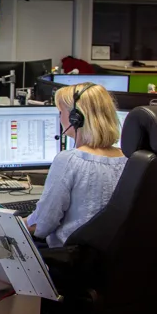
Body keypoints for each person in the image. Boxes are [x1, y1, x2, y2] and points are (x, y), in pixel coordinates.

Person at [25, 83, 127, 248]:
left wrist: (10, 223)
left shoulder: (70, 160)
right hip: (111, 257)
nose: (59, 118)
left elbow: (41, 225)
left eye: (61, 112)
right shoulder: (129, 159)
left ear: (76, 118)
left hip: (70, 256)